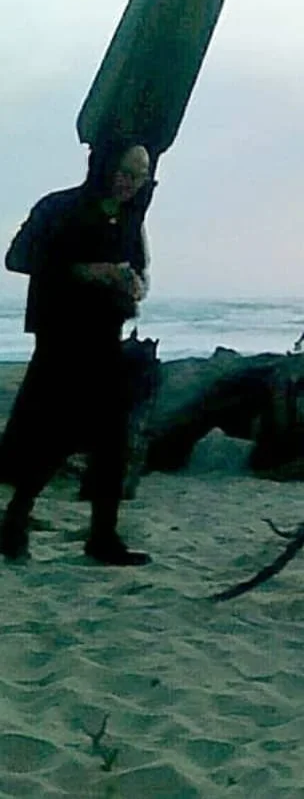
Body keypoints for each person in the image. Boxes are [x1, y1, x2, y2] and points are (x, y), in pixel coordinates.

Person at [0, 142, 153, 566]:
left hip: (105, 338)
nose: (130, 183)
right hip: (61, 339)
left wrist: (134, 285)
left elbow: (138, 269)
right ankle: (15, 521)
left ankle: (102, 537)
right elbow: (17, 257)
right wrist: (86, 270)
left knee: (113, 441)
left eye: (139, 176)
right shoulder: (59, 207)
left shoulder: (127, 218)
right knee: (51, 437)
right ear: (104, 166)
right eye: (125, 172)